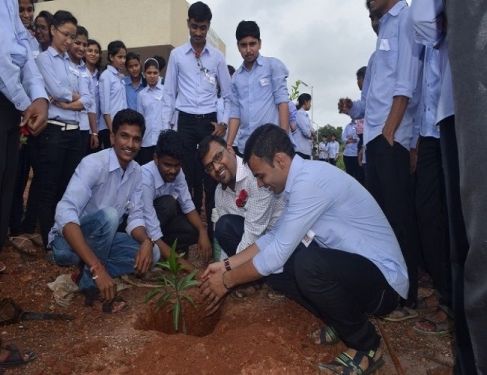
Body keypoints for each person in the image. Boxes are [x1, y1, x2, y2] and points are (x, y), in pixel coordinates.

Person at [200, 125, 408, 375]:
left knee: (306, 265)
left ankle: (366, 345)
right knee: (283, 268)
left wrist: (227, 281)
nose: (259, 183)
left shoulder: (310, 182)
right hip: (356, 274)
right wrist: (226, 265)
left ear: (279, 160)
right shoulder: (298, 181)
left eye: (261, 176)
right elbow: (273, 238)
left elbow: (276, 251)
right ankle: (341, 320)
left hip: (384, 284)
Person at [341, 0, 421, 317]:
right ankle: (388, 284)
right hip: (374, 140)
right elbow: (372, 97)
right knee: (381, 219)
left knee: (400, 218)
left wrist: (390, 130)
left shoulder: (407, 18)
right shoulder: (384, 27)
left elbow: (405, 83)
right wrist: (353, 112)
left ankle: (408, 294)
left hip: (392, 138)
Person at [412, 1, 478, 373]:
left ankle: (461, 326)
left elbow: (424, 22)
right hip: (438, 124)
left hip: (459, 108)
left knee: (463, 232)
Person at [49, 109, 155, 311]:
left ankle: (84, 272)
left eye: (136, 139)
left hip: (102, 242)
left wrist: (147, 241)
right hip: (68, 245)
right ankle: (92, 284)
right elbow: (64, 212)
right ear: (113, 137)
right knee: (110, 216)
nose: (130, 145)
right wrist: (97, 269)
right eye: (124, 136)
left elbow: (135, 217)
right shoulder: (93, 164)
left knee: (153, 254)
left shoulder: (136, 172)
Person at [0, 0, 48, 367]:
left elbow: (26, 57)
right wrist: (25, 102)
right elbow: (3, 60)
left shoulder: (11, 9)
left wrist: (39, 98)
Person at [161, 1, 232, 239]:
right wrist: (166, 128)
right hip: (186, 122)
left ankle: (212, 235)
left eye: (203, 28)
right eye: (194, 27)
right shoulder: (177, 55)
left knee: (212, 177)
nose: (198, 33)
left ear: (208, 26)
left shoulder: (218, 58)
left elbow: (228, 94)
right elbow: (169, 94)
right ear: (188, 24)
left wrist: (222, 122)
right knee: (188, 176)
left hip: (210, 123)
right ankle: (190, 235)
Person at [35, 10, 92, 248]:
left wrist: (66, 101)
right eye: (66, 35)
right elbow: (55, 90)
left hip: (74, 132)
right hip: (54, 131)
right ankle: (48, 237)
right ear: (53, 30)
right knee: (49, 185)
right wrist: (70, 99)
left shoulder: (74, 64)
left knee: (68, 186)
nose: (69, 41)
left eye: (72, 36)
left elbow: (87, 99)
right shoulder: (43, 59)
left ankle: (62, 234)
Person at [198, 135, 284, 258]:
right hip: (253, 246)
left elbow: (253, 234)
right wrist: (223, 265)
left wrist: (230, 269)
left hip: (278, 240)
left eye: (218, 157)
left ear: (230, 149)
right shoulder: (219, 192)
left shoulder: (255, 175)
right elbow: (225, 238)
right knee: (223, 226)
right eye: (210, 167)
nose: (216, 168)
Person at [141, 130, 211, 271]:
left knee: (193, 229)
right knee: (168, 203)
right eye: (167, 165)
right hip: (143, 229)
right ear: (156, 159)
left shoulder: (178, 173)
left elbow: (188, 205)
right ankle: (162, 254)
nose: (173, 171)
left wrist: (203, 232)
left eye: (177, 165)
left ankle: (166, 253)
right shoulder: (145, 178)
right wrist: (192, 270)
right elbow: (152, 230)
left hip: (162, 225)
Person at [226, 20, 290, 155]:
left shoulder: (273, 66)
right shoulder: (236, 78)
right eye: (243, 45)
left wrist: (284, 141)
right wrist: (229, 144)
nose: (248, 50)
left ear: (259, 43)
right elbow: (235, 113)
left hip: (272, 146)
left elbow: (282, 102)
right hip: (246, 148)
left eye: (252, 44)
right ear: (238, 46)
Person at [67, 26, 96, 157]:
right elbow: (59, 94)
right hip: (65, 125)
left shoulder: (86, 72)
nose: (82, 48)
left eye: (84, 44)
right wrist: (83, 99)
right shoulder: (63, 66)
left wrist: (94, 132)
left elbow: (91, 104)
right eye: (77, 43)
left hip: (84, 128)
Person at [136, 58, 165, 165]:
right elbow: (141, 118)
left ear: (159, 73)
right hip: (146, 141)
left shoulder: (166, 91)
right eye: (149, 73)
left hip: (163, 140)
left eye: (155, 73)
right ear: (144, 74)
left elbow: (172, 115)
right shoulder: (141, 95)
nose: (152, 76)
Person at [99, 40, 127, 147]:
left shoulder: (119, 76)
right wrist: (112, 132)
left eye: (124, 57)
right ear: (111, 57)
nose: (123, 60)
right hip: (109, 128)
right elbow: (105, 109)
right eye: (120, 57)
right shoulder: (106, 76)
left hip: (120, 125)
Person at [84, 38, 102, 152]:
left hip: (99, 126)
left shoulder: (101, 75)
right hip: (84, 126)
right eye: (90, 50)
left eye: (96, 51)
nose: (93, 54)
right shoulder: (80, 73)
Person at [292, 93, 314, 160]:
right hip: (300, 150)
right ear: (305, 102)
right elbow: (307, 132)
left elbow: (312, 130)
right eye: (310, 102)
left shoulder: (305, 115)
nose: (310, 104)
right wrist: (311, 134)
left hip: (306, 150)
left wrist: (312, 133)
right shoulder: (299, 114)